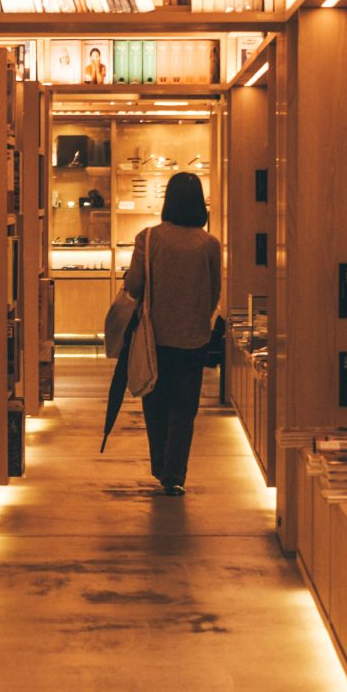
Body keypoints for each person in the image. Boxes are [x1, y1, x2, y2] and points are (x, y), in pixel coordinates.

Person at [124, 170, 221, 495]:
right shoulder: (209, 244)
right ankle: (174, 473)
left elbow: (134, 285)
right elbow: (214, 293)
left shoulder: (148, 238)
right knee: (185, 407)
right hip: (194, 337)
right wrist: (196, 317)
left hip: (155, 336)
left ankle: (160, 465)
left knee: (155, 402)